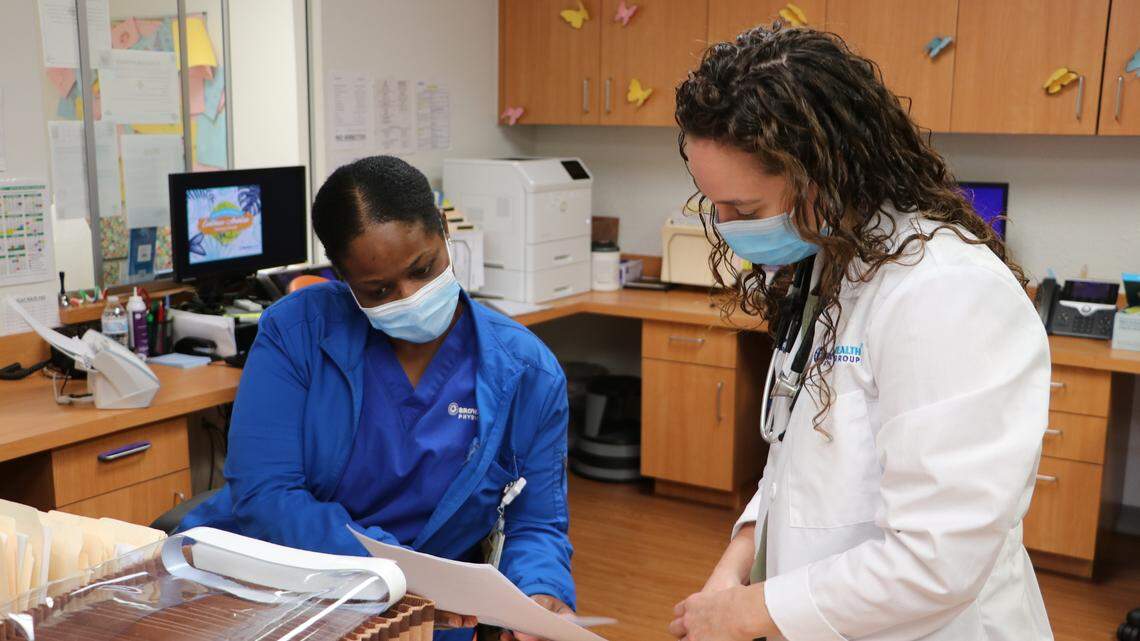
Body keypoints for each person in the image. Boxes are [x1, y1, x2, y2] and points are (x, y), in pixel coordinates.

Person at [667, 24, 1053, 641]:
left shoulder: (945, 290)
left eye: (745, 210)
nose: (727, 227)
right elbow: (799, 462)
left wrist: (747, 613)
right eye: (714, 206)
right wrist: (735, 565)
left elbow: (935, 562)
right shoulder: (833, 263)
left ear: (828, 171)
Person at [180, 156, 575, 639]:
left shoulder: (525, 372)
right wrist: (393, 572)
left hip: (430, 615)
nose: (409, 296)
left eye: (423, 268)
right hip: (292, 592)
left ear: (443, 228)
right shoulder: (297, 334)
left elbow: (535, 524)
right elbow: (267, 496)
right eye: (379, 289)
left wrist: (540, 593)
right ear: (344, 280)